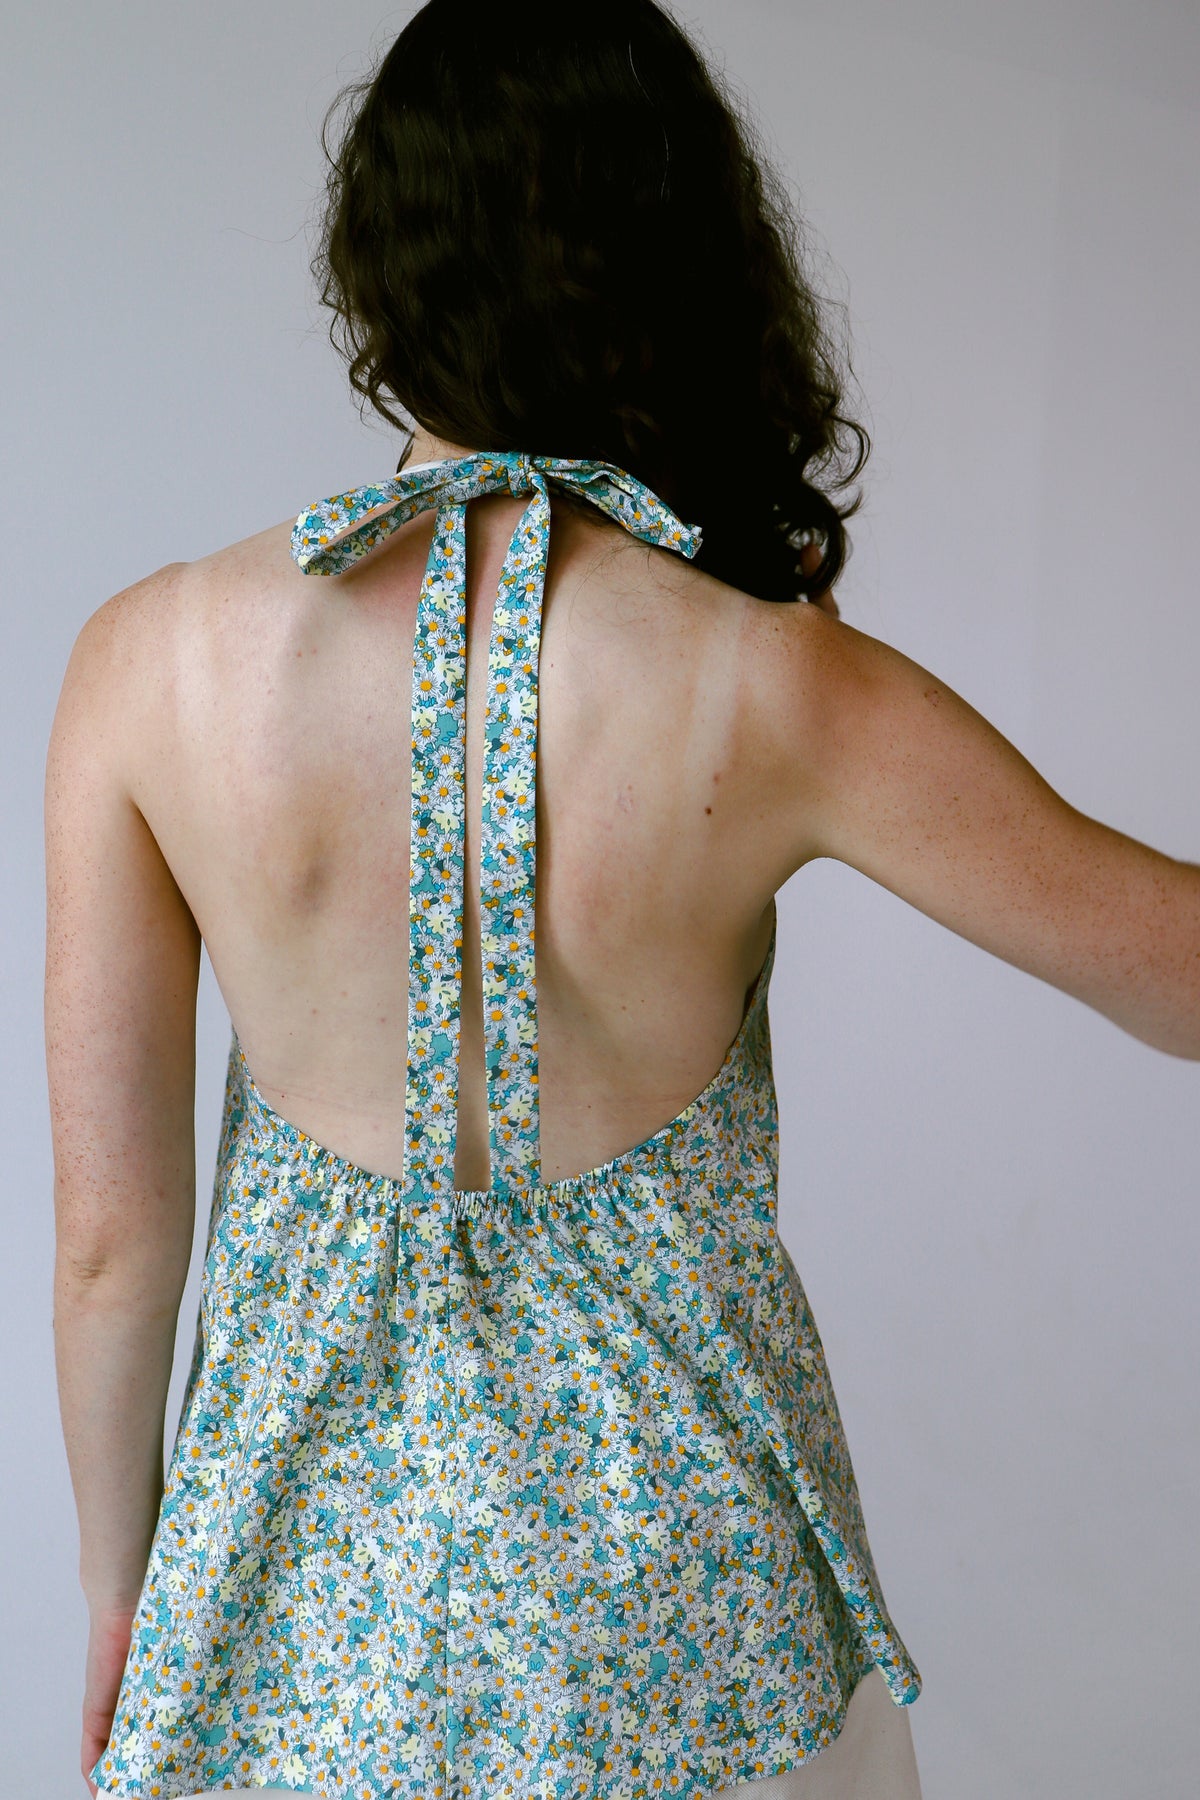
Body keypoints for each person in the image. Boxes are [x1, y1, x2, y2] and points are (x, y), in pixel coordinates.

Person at [45, 4, 1198, 1799]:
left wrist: (128, 1599)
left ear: (379, 262)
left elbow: (117, 1243)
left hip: (284, 1648)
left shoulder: (143, 667)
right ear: (679, 253)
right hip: (704, 1643)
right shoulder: (772, 686)